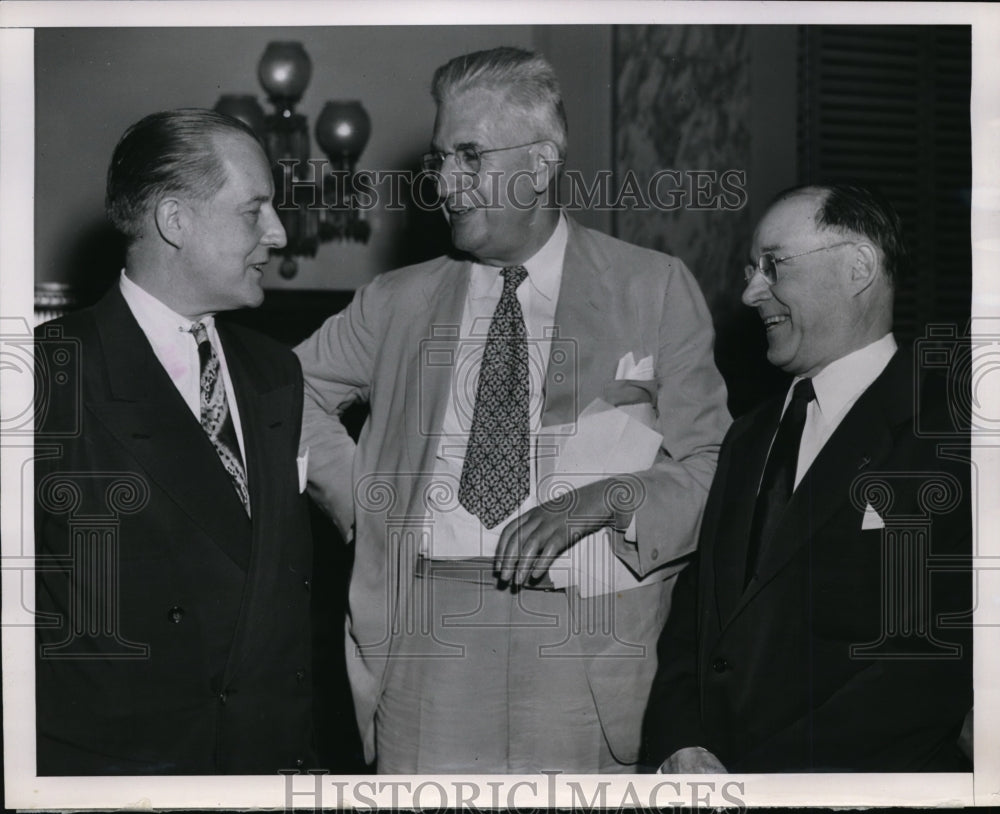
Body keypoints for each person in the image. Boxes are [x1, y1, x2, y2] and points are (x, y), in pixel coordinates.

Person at [296, 46, 731, 773]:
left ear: (540, 163)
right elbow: (289, 391)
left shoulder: (652, 288)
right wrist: (367, 496)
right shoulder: (394, 301)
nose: (446, 184)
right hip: (425, 633)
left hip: (584, 640)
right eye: (440, 160)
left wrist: (607, 498)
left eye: (470, 156)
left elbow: (710, 463)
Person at [642, 184, 972, 773]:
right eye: (751, 269)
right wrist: (680, 742)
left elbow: (933, 661)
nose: (749, 292)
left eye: (773, 265)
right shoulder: (747, 435)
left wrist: (765, 783)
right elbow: (697, 616)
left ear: (858, 268)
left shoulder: (952, 431)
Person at [34, 109, 316, 774]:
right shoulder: (45, 376)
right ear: (175, 221)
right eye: (255, 210)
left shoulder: (277, 374)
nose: (278, 234)